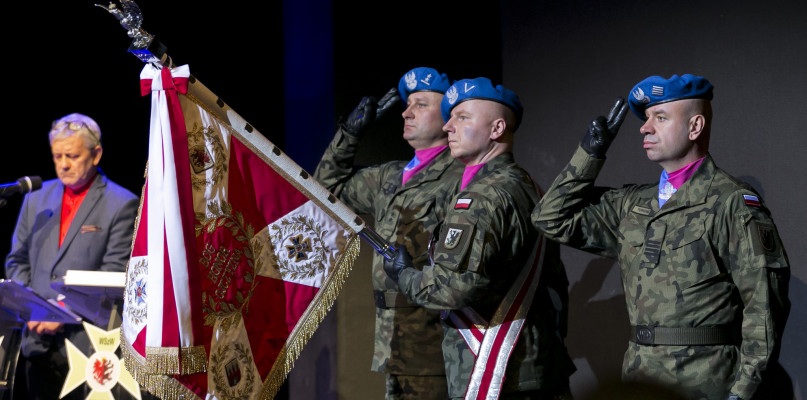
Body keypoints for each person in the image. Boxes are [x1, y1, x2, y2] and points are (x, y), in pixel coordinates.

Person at [532, 74, 790, 400]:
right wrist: (591, 152)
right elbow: (550, 217)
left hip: (704, 382)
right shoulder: (634, 204)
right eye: (646, 118)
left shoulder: (731, 202)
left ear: (694, 127)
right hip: (639, 377)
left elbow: (764, 307)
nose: (645, 128)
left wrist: (742, 391)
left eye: (661, 117)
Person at [385, 78, 575, 399]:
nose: (448, 127)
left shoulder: (480, 198)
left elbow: (451, 289)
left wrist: (404, 275)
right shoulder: (528, 185)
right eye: (450, 118)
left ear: (497, 128)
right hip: (537, 362)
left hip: (499, 374)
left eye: (462, 117)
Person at [314, 67, 463, 399]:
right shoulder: (390, 175)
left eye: (421, 104)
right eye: (407, 105)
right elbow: (326, 188)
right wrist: (349, 134)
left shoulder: (462, 178)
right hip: (392, 338)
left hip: (434, 340)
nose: (406, 113)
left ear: (449, 118)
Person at [5, 113, 139, 399]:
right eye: (57, 156)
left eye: (73, 156)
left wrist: (60, 311)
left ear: (96, 154)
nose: (63, 164)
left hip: (87, 348)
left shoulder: (122, 203)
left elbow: (113, 275)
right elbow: (17, 260)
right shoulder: (35, 198)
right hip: (34, 343)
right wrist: (32, 308)